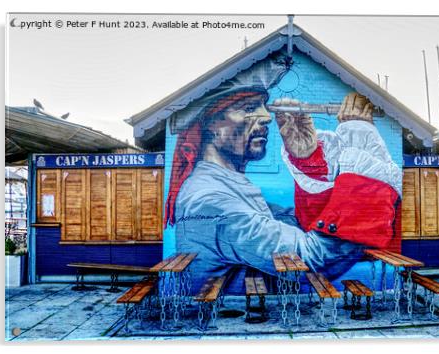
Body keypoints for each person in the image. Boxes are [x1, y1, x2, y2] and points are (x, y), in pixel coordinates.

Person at [164, 55, 402, 290]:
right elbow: (310, 259)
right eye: (249, 108)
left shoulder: (227, 187)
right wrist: (362, 155)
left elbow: (299, 227)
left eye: (262, 106)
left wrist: (310, 160)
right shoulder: (210, 200)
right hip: (235, 317)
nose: (267, 118)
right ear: (211, 124)